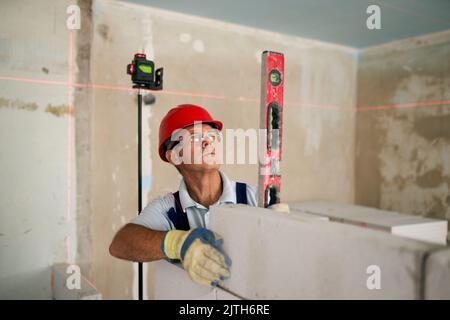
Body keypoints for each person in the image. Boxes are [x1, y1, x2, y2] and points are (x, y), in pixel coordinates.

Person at [109, 104, 258, 287]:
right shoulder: (168, 210)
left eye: (212, 136)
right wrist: (178, 243)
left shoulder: (255, 197)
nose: (208, 142)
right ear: (174, 156)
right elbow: (121, 244)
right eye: (195, 138)